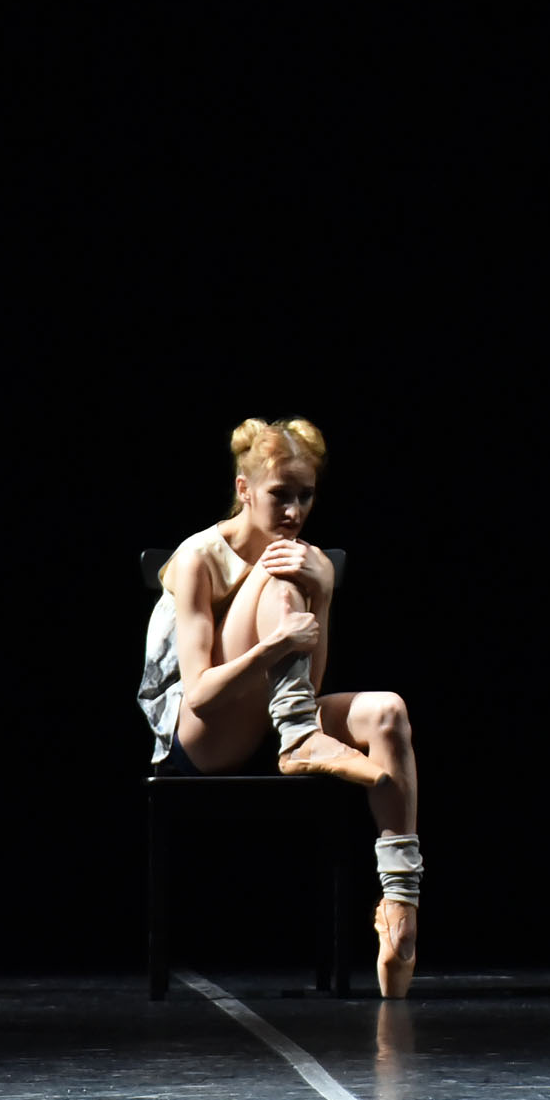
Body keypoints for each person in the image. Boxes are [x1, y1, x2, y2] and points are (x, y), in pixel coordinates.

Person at [137, 418, 425, 998]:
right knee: (279, 575)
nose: (294, 511)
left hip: (278, 718)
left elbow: (310, 685)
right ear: (244, 489)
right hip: (199, 736)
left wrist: (325, 594)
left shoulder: (303, 562)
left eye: (306, 495)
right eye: (280, 495)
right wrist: (273, 644)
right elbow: (200, 695)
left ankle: (400, 906)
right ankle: (298, 739)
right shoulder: (200, 556)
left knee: (388, 713)